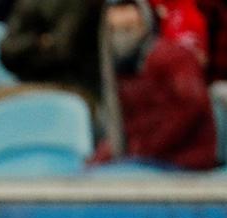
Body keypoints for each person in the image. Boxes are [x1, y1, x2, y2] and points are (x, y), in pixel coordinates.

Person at [91, 0, 217, 170]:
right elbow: (124, 127)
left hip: (181, 160)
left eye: (128, 10)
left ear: (145, 18)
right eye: (115, 29)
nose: (121, 18)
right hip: (141, 157)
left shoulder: (173, 57)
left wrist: (144, 148)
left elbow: (191, 106)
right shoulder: (119, 68)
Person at [0, 0, 104, 103]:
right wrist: (37, 42)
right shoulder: (32, 4)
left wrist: (38, 45)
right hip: (30, 82)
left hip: (72, 89)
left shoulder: (79, 6)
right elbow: (7, 50)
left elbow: (60, 50)